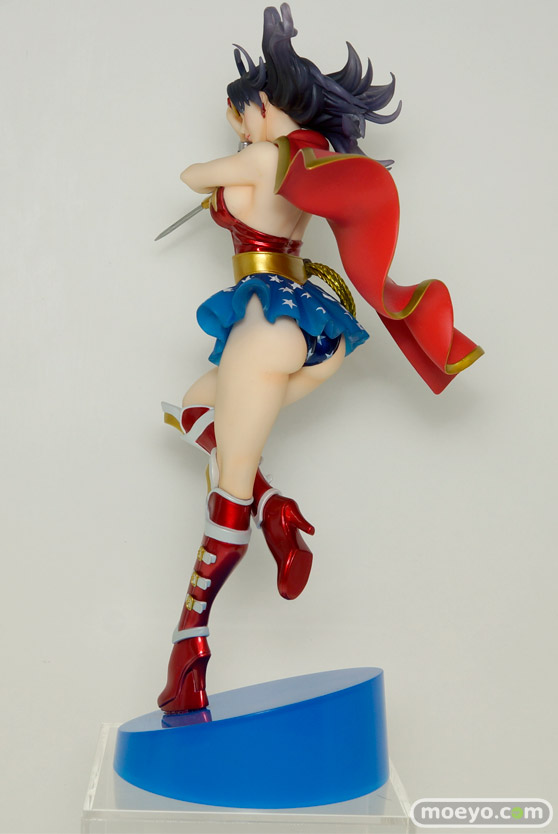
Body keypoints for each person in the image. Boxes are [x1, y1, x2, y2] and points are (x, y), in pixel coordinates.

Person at [157, 3, 483, 714]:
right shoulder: (308, 165)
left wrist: (223, 178)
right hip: (298, 321)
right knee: (192, 409)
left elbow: (190, 174)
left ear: (262, 106)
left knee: (225, 497)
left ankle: (190, 652)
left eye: (242, 114)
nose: (239, 126)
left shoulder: (261, 156)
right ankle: (276, 509)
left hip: (261, 320)